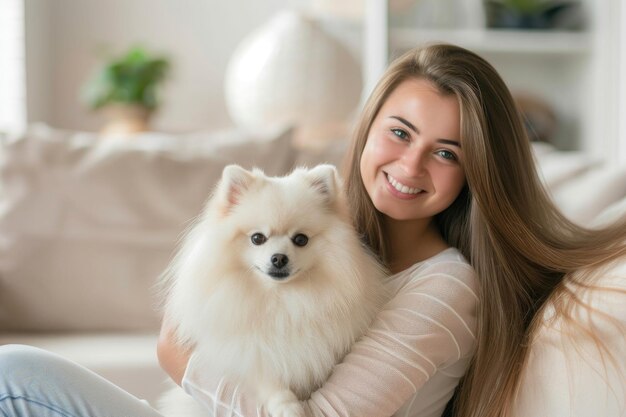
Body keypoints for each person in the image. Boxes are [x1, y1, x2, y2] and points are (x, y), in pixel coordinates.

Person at [0, 43, 623, 417]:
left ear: (477, 171)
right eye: (400, 133)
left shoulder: (445, 290)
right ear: (368, 127)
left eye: (447, 152)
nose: (409, 166)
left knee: (15, 381)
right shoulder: (343, 244)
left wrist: (181, 356)